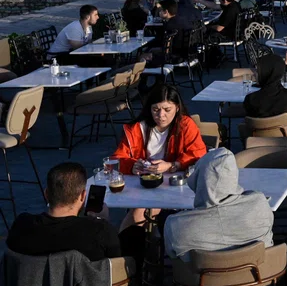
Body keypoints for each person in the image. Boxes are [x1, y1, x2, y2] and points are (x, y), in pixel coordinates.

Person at [112, 84, 207, 229]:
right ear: (149, 109)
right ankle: (126, 247)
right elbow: (117, 159)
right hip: (143, 185)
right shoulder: (136, 128)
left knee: (141, 211)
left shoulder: (186, 125)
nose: (161, 115)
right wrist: (132, 166)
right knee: (139, 211)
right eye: (155, 110)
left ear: (177, 108)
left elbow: (199, 154)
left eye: (167, 110)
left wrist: (172, 165)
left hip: (176, 187)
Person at [164, 148, 273, 260]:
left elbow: (172, 256)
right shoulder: (260, 205)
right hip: (259, 275)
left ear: (198, 180)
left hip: (202, 277)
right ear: (233, 174)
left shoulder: (176, 226)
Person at [6, 162, 121, 262]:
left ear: (46, 194)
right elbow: (115, 264)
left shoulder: (21, 225)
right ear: (83, 196)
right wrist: (102, 220)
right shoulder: (98, 231)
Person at [244, 53, 287, 120]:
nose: (254, 74)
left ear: (266, 73)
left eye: (257, 71)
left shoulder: (251, 99)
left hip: (259, 130)